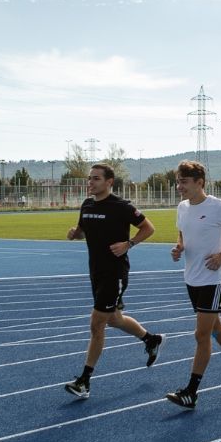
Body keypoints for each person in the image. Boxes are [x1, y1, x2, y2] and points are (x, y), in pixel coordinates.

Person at [63, 164, 164, 400]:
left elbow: (148, 228)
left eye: (96, 179)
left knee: (97, 324)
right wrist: (74, 234)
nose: (91, 182)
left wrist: (128, 244)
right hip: (95, 272)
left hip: (114, 273)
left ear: (109, 182)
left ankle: (84, 381)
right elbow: (83, 231)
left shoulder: (121, 207)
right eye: (89, 179)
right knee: (114, 319)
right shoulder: (87, 205)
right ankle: (151, 339)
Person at [165, 160, 221, 410]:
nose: (179, 186)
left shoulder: (218, 207)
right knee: (215, 327)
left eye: (184, 181)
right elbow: (183, 233)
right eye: (178, 181)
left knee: (202, 333)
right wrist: (179, 248)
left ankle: (191, 392)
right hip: (191, 277)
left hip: (213, 278)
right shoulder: (182, 208)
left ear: (199, 182)